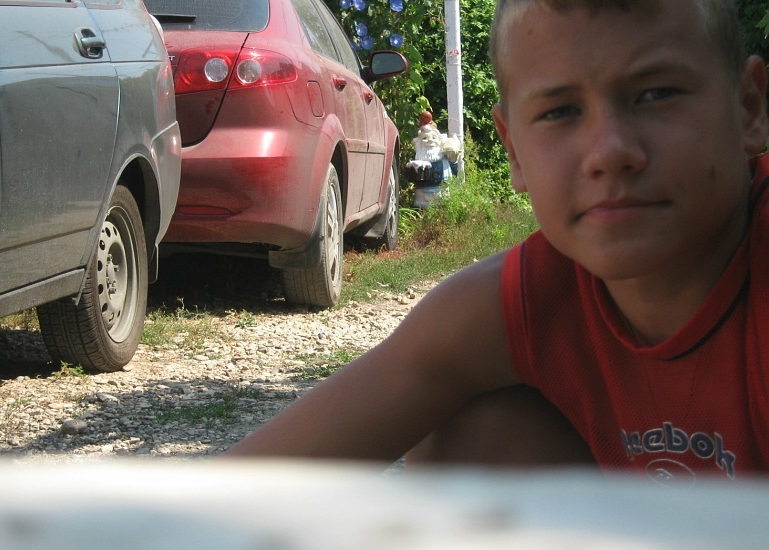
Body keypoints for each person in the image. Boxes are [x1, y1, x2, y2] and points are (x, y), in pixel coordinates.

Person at [226, 0, 769, 483]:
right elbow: (248, 489)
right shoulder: (530, 300)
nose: (609, 151)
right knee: (469, 434)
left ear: (749, 107)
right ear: (513, 151)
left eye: (657, 94)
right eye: (560, 112)